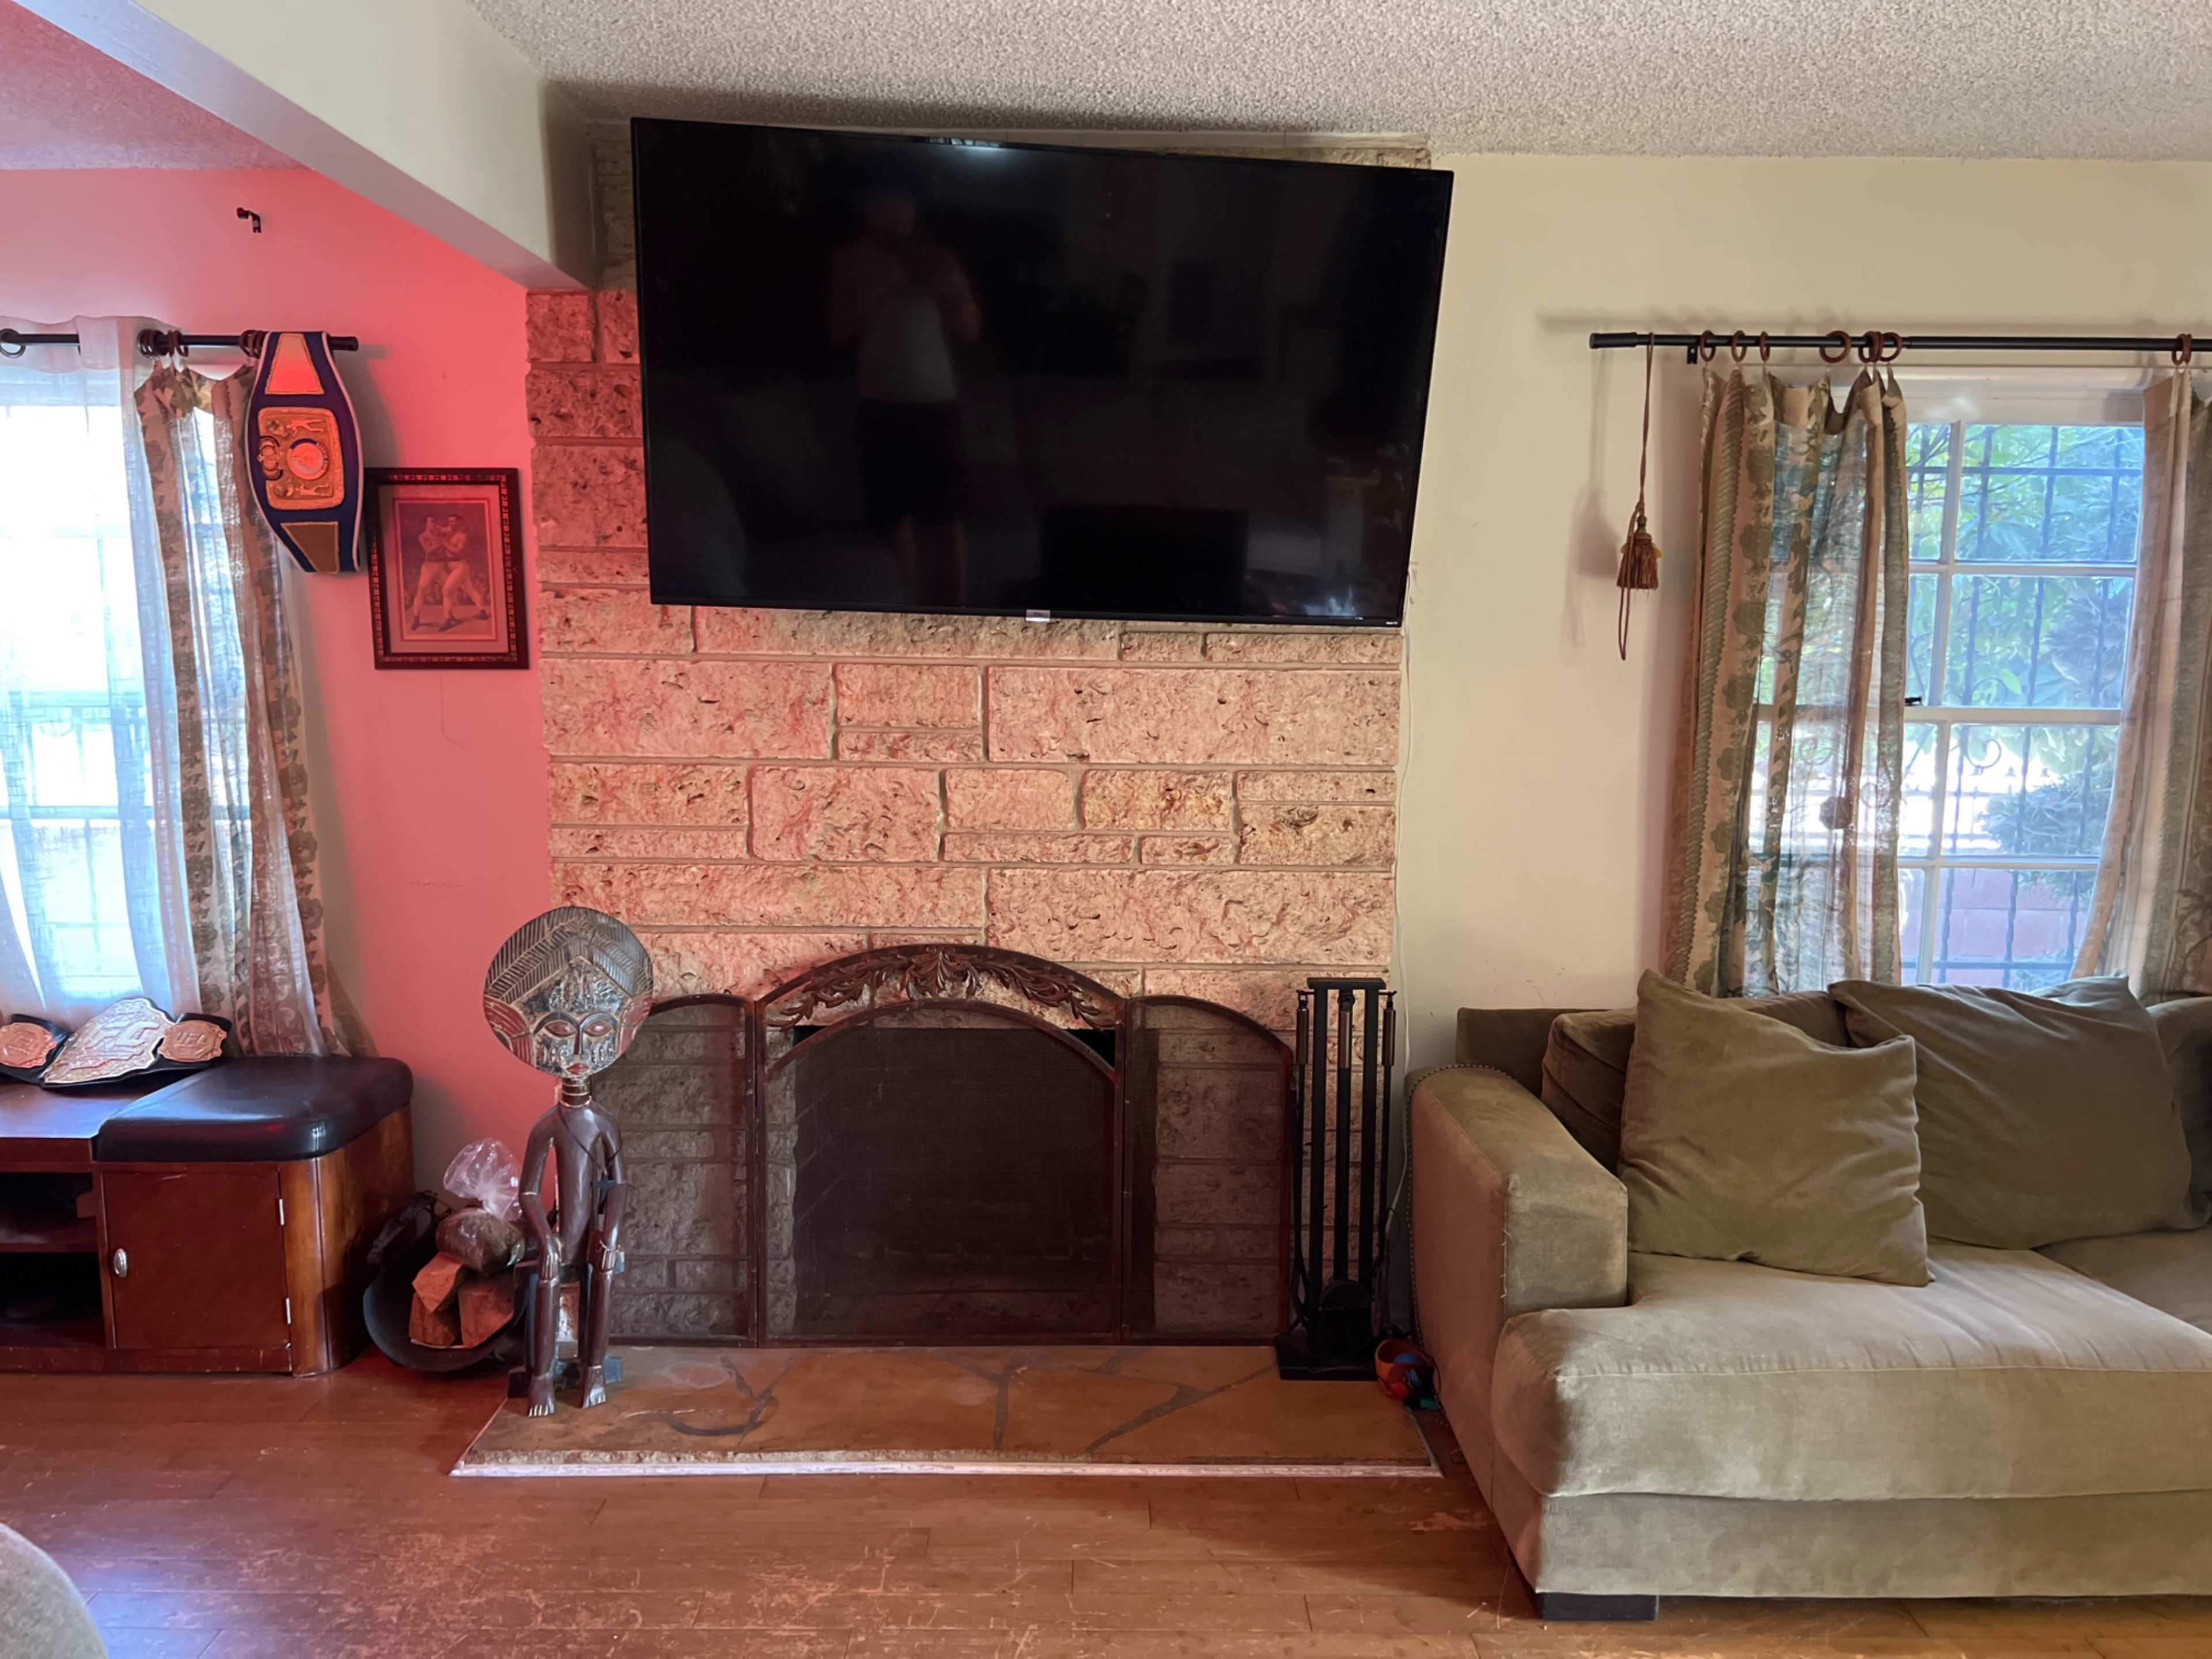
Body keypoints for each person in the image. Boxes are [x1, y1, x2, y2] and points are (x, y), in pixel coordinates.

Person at [828, 184, 981, 602]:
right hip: (879, 405)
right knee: (896, 518)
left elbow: (970, 331)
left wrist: (954, 291)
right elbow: (838, 331)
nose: (896, 215)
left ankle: (961, 613)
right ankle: (907, 614)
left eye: (904, 205)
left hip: (937, 403)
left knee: (948, 518)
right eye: (885, 204)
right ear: (868, 210)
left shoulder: (939, 260)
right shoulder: (851, 260)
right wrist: (879, 285)